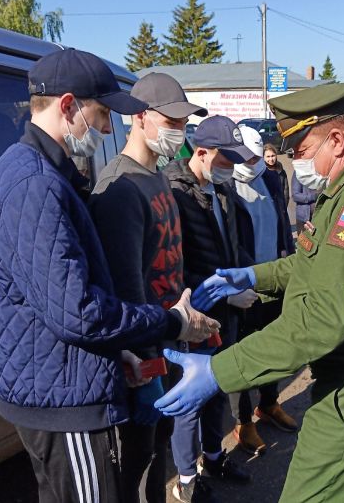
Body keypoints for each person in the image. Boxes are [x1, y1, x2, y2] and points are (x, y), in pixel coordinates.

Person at [158, 81, 344, 502]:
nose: (296, 163)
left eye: (300, 151)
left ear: (336, 140)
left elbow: (322, 319)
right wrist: (252, 276)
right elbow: (315, 262)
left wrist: (218, 372)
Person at [0, 49, 219, 503]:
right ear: (68, 106)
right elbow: (79, 312)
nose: (107, 128)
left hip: (61, 377)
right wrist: (170, 324)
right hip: (61, 397)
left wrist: (115, 350)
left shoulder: (44, 173)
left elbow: (62, 298)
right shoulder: (33, 184)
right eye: (102, 113)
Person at [88, 72, 208, 503]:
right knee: (139, 468)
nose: (180, 131)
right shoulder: (119, 188)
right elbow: (123, 287)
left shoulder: (156, 176)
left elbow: (168, 260)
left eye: (183, 123)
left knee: (159, 458)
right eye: (171, 121)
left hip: (169, 337)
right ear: (140, 118)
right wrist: (146, 361)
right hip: (144, 357)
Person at [163, 115, 255, 502]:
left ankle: (214, 456)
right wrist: (221, 294)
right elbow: (174, 264)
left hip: (225, 314)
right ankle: (185, 480)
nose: (231, 169)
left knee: (220, 386)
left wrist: (244, 279)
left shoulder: (223, 191)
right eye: (225, 160)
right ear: (200, 152)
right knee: (190, 397)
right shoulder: (174, 194)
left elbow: (231, 246)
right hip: (194, 317)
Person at [230, 125, 297, 455]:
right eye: (248, 156)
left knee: (275, 349)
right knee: (243, 354)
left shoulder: (270, 178)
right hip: (245, 284)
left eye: (258, 156)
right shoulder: (227, 184)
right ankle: (243, 420)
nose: (254, 162)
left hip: (275, 280)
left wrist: (288, 250)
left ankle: (268, 403)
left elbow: (283, 221)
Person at [291, 169, 319, 235]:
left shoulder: (323, 168)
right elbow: (295, 195)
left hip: (320, 215)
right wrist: (314, 197)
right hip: (305, 217)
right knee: (304, 243)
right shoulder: (298, 172)